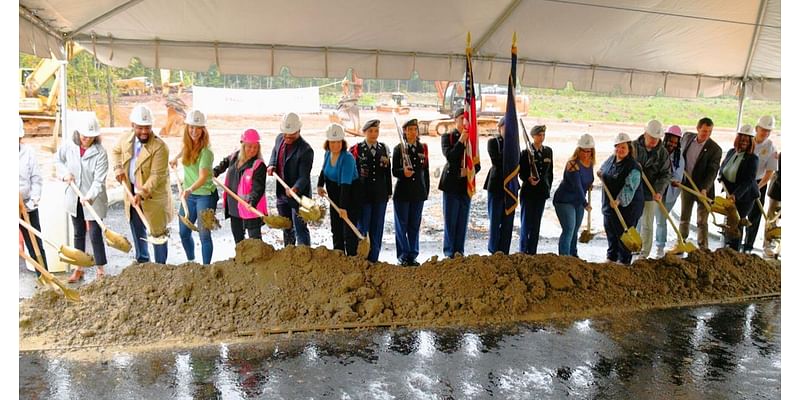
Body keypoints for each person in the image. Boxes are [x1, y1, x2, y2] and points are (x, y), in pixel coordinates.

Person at [111, 105, 171, 264]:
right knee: (138, 229)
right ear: (133, 126)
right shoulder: (125, 139)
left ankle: (161, 268)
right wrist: (118, 168)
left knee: (158, 234)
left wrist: (141, 193)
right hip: (131, 192)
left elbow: (156, 176)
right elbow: (115, 151)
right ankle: (143, 262)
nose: (144, 131)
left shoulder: (160, 147)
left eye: (147, 127)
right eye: (140, 128)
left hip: (153, 197)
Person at [55, 116, 109, 282]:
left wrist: (90, 196)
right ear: (78, 133)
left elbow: (99, 180)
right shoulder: (68, 146)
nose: (86, 139)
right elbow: (58, 160)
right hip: (74, 195)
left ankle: (100, 269)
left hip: (92, 198)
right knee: (78, 232)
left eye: (90, 136)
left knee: (94, 233)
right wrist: (65, 174)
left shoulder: (100, 153)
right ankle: (79, 268)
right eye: (84, 136)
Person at [170, 110, 217, 264]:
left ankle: (206, 268)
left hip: (204, 195)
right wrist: (176, 158)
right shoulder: (188, 145)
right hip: (189, 195)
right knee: (184, 231)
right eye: (191, 127)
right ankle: (191, 261)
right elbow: (185, 150)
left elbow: (203, 178)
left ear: (203, 130)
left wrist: (189, 189)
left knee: (204, 233)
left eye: (198, 128)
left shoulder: (206, 152)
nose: (194, 131)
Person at [438, 107, 480, 258]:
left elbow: (477, 163)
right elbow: (451, 156)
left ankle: (459, 251)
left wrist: (470, 171)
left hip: (465, 185)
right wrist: (461, 140)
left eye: (466, 118)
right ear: (455, 120)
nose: (464, 122)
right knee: (451, 221)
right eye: (462, 118)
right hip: (451, 184)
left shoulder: (473, 140)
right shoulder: (448, 137)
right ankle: (449, 252)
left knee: (462, 221)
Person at [268, 112, 314, 248]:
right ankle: (289, 252)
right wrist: (272, 164)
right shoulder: (279, 139)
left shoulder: (306, 150)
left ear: (298, 131)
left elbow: (304, 177)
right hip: (282, 192)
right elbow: (275, 152)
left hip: (300, 195)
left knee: (300, 228)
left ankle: (304, 253)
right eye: (285, 134)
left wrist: (295, 188)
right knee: (287, 226)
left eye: (291, 135)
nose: (287, 137)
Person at [213, 129, 267, 243]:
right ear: (242, 145)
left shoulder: (259, 165)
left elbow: (258, 188)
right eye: (249, 146)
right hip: (234, 205)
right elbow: (224, 163)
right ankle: (241, 258)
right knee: (238, 238)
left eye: (255, 147)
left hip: (250, 207)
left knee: (255, 241)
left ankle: (259, 260)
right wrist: (215, 172)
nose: (253, 150)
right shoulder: (234, 156)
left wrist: (252, 202)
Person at [350, 119, 392, 262]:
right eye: (370, 131)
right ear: (365, 132)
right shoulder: (357, 149)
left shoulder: (384, 148)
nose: (374, 134)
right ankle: (362, 257)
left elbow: (387, 172)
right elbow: (353, 173)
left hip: (380, 194)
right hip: (363, 194)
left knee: (377, 226)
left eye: (376, 131)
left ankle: (374, 257)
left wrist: (389, 191)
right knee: (363, 226)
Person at [599, 132, 644, 265]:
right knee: (610, 231)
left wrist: (619, 200)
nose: (620, 150)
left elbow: (630, 187)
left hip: (627, 207)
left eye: (623, 147)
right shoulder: (611, 159)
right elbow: (603, 170)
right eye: (617, 147)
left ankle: (623, 261)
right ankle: (611, 257)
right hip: (610, 205)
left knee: (623, 234)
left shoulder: (633, 167)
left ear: (629, 149)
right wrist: (600, 173)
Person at [317, 124, 360, 256]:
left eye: (338, 142)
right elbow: (324, 171)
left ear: (342, 142)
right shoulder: (327, 154)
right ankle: (339, 256)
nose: (335, 145)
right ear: (328, 143)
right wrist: (320, 185)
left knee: (349, 231)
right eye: (332, 142)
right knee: (336, 229)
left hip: (350, 196)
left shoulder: (347, 159)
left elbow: (345, 185)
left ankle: (352, 259)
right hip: (334, 195)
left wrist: (343, 208)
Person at [679, 117, 722, 250]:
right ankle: (681, 241)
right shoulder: (687, 138)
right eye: (704, 131)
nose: (706, 134)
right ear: (698, 129)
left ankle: (703, 248)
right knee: (684, 215)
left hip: (704, 189)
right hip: (687, 185)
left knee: (702, 220)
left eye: (709, 131)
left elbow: (712, 171)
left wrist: (704, 188)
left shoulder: (715, 149)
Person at [392, 118, 430, 266]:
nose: (412, 132)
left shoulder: (422, 148)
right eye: (409, 129)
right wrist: (403, 173)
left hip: (418, 193)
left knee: (414, 225)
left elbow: (425, 171)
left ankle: (413, 254)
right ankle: (403, 255)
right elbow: (394, 171)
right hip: (403, 193)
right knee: (402, 225)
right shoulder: (399, 148)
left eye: (415, 129)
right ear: (405, 132)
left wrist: (425, 191)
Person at [552, 134, 595, 257]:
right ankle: (564, 257)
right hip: (565, 200)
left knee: (575, 230)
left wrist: (588, 185)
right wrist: (585, 203)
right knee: (569, 229)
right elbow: (577, 186)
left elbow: (585, 181)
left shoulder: (590, 163)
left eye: (589, 151)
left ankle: (573, 255)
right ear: (578, 149)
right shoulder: (572, 164)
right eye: (583, 151)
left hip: (578, 202)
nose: (586, 154)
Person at [633, 120, 670, 258]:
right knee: (633, 222)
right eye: (652, 137)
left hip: (651, 192)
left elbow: (666, 174)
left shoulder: (663, 153)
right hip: (633, 191)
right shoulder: (633, 147)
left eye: (657, 138)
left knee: (647, 224)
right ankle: (633, 248)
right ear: (645, 133)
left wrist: (659, 191)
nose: (654, 141)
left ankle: (644, 254)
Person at [718, 125, 759, 251]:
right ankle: (727, 246)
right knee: (729, 219)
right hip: (730, 194)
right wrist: (720, 176)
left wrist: (736, 195)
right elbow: (723, 166)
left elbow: (748, 180)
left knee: (737, 223)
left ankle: (735, 249)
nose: (744, 143)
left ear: (751, 142)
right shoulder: (731, 152)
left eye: (747, 141)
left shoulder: (752, 159)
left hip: (744, 197)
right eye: (742, 139)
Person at [742, 115, 778, 254]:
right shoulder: (747, 141)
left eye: (768, 131)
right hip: (743, 182)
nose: (765, 133)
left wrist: (757, 187)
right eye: (763, 130)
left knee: (754, 216)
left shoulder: (771, 148)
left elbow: (769, 173)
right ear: (757, 129)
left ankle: (748, 246)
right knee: (737, 213)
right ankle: (733, 240)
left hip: (759, 184)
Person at [19, 118, 49, 277]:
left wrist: (32, 202)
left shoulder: (28, 152)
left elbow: (36, 179)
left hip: (27, 205)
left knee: (36, 245)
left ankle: (45, 278)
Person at [519, 124, 553, 254]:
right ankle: (523, 250)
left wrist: (547, 187)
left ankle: (532, 250)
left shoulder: (548, 151)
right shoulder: (525, 153)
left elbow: (550, 173)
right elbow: (521, 172)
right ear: (533, 136)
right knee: (526, 222)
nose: (542, 137)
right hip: (528, 191)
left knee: (536, 223)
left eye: (543, 135)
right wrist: (528, 178)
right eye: (539, 135)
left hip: (541, 192)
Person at [653, 125, 685, 257]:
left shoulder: (679, 158)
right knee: (646, 217)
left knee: (661, 219)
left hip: (669, 193)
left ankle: (660, 246)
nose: (672, 144)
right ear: (665, 139)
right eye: (670, 140)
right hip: (655, 190)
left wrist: (674, 180)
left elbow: (678, 176)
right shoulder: (658, 152)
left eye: (675, 141)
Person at [484, 117, 514, 254]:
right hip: (496, 185)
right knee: (495, 221)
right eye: (505, 128)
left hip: (510, 187)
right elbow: (497, 161)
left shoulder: (515, 144)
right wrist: (508, 147)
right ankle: (494, 250)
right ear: (500, 128)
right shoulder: (493, 142)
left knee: (508, 222)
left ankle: (504, 251)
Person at [764, 152, 780, 258]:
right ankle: (767, 245)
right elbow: (780, 175)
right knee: (771, 218)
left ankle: (779, 247)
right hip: (778, 189)